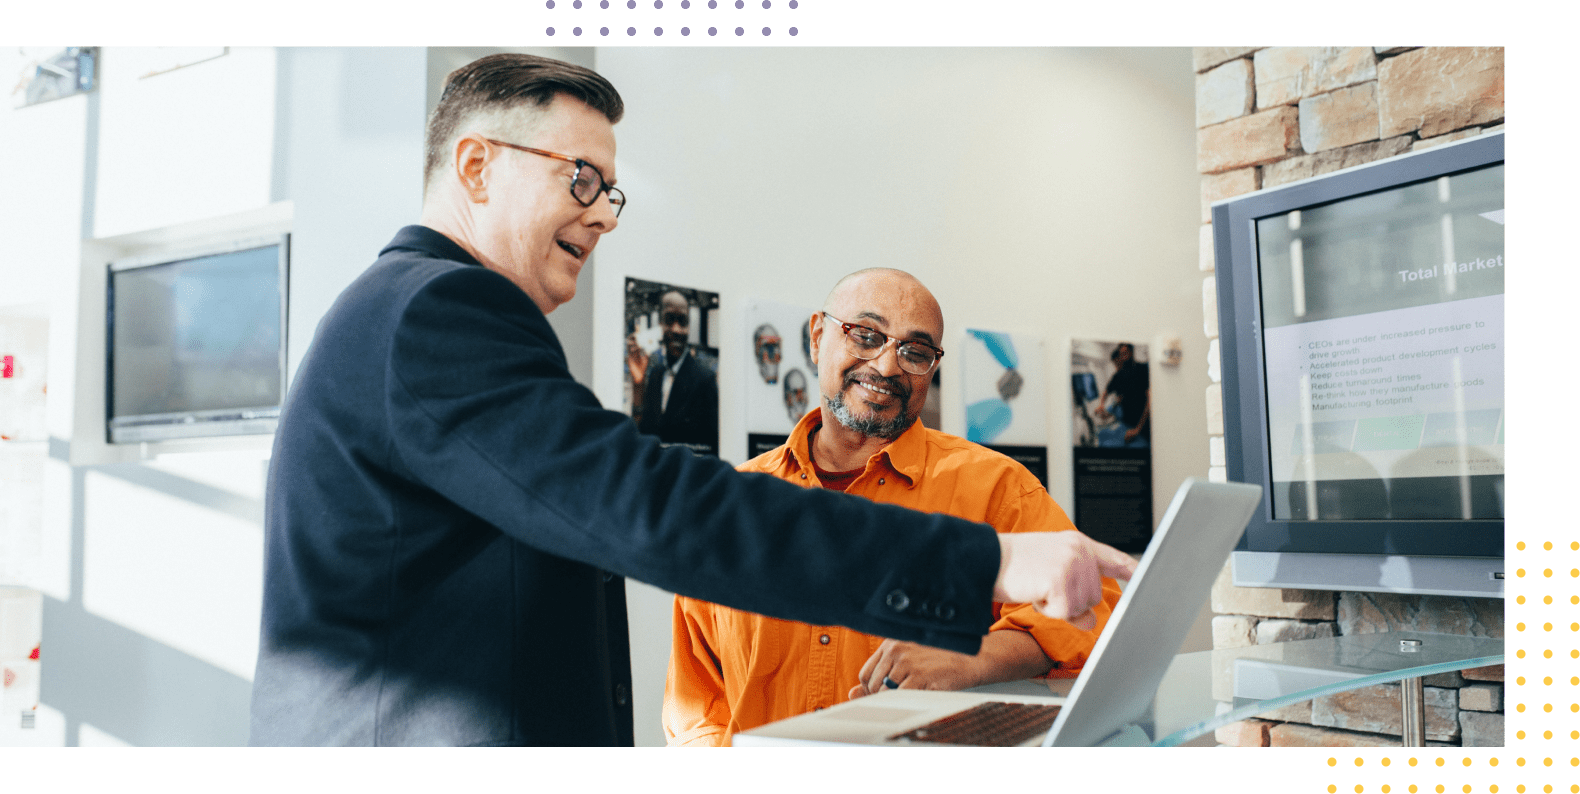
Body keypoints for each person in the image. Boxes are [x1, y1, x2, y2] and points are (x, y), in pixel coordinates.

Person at [250, 53, 1136, 747]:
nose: (604, 214)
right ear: (476, 167)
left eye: (611, 192)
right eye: (581, 178)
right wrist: (982, 565)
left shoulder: (410, 313)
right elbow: (647, 507)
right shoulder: (437, 310)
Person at [663, 269, 1124, 747]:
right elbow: (697, 707)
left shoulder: (996, 488)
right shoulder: (731, 506)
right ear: (818, 337)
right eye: (865, 335)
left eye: (915, 352)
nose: (886, 367)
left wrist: (973, 656)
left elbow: (1092, 620)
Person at [625, 290, 720, 455]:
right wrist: (638, 386)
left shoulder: (705, 380)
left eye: (682, 321)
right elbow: (642, 436)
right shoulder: (655, 374)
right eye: (669, 320)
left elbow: (711, 449)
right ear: (660, 324)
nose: (676, 329)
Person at [1094, 342, 1150, 447]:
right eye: (1121, 354)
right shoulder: (1118, 376)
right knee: (1103, 437)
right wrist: (1101, 405)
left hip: (1143, 425)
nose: (1124, 357)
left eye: (1125, 353)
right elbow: (1107, 391)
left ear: (1131, 352)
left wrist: (1137, 429)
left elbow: (1149, 400)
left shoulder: (1142, 369)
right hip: (1126, 423)